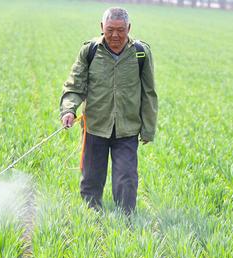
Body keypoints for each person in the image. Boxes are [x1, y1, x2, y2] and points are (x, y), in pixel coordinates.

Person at [59, 7, 158, 215]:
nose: (115, 35)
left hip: (127, 129)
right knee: (91, 179)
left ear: (129, 28)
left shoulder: (140, 52)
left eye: (121, 30)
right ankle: (91, 218)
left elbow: (149, 93)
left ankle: (125, 221)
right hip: (95, 127)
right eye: (110, 29)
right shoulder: (90, 51)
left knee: (126, 179)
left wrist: (148, 129)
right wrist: (68, 110)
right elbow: (75, 85)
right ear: (101, 27)